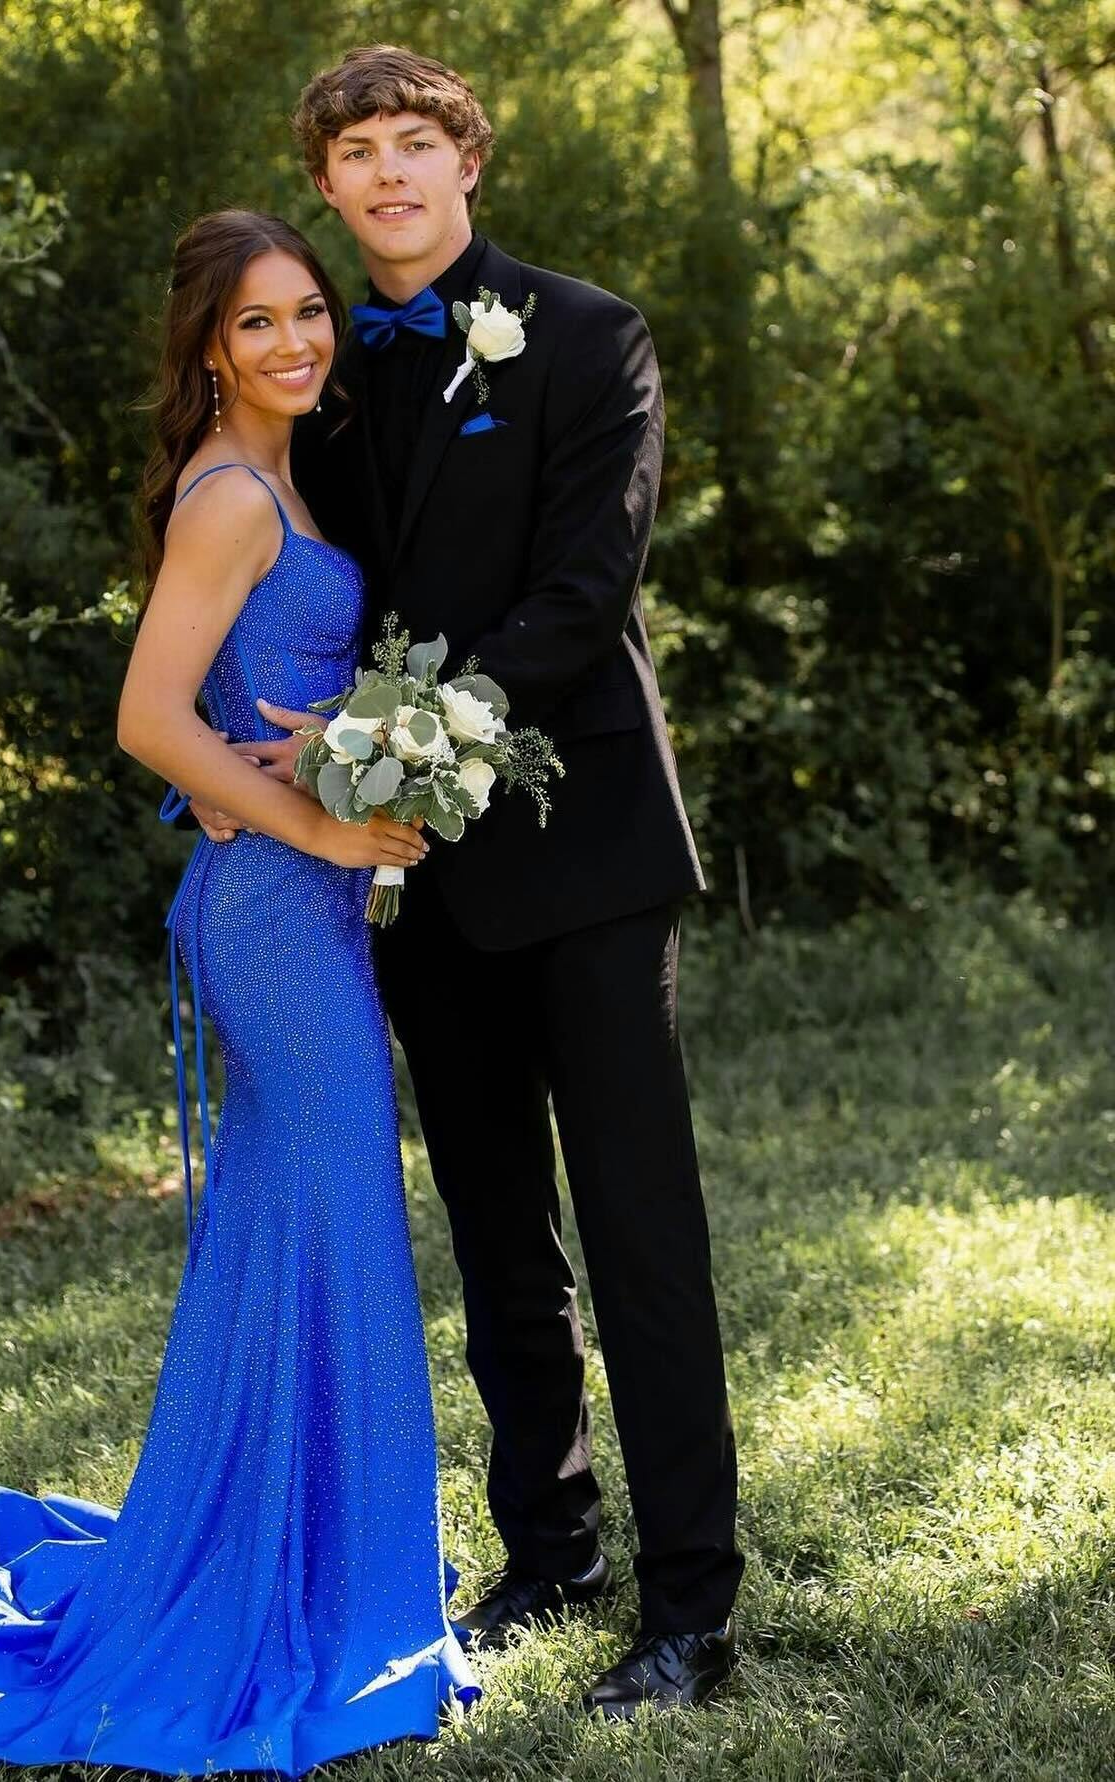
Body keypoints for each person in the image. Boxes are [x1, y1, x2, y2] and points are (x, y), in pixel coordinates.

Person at [0, 209, 477, 1777]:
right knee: (333, 1215)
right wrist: (323, 823)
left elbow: (242, 710)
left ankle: (311, 1561)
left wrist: (342, 764)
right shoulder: (231, 498)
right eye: (258, 323)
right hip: (272, 918)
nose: (295, 341)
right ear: (209, 350)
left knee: (307, 1223)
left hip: (306, 910)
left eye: (309, 312)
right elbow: (148, 714)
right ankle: (297, 1591)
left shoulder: (287, 474)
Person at [193, 46, 745, 1714]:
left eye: (412, 141)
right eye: (354, 150)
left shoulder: (587, 334)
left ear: (467, 162)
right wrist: (228, 763)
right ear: (328, 184)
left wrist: (386, 738)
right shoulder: (322, 371)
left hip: (586, 853)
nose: (385, 172)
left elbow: (586, 591)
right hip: (412, 871)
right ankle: (550, 1545)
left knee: (640, 1230)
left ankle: (692, 1608)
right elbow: (264, 574)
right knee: (501, 1231)